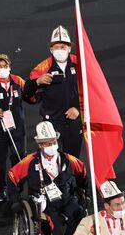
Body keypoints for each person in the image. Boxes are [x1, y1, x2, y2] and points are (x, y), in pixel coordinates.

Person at [8, 121, 87, 235]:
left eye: (53, 142)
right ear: (40, 145)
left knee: (78, 212)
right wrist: (15, 200)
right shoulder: (30, 162)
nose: (51, 145)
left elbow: (82, 171)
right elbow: (12, 175)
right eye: (47, 143)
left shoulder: (68, 159)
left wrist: (83, 191)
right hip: (46, 204)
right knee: (55, 225)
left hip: (66, 198)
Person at [0, 54, 33, 202]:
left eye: (5, 66)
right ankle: (0, 188)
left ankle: (17, 186)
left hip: (17, 128)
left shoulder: (17, 80)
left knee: (19, 157)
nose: (2, 69)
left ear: (9, 67)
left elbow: (30, 95)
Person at [24, 25, 83, 158]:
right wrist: (37, 82)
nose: (60, 50)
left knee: (73, 160)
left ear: (69, 48)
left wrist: (78, 109)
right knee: (53, 160)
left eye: (63, 46)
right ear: (51, 49)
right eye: (56, 47)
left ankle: (72, 180)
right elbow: (26, 92)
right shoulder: (43, 67)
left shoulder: (80, 64)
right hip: (52, 123)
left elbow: (91, 91)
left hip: (74, 121)